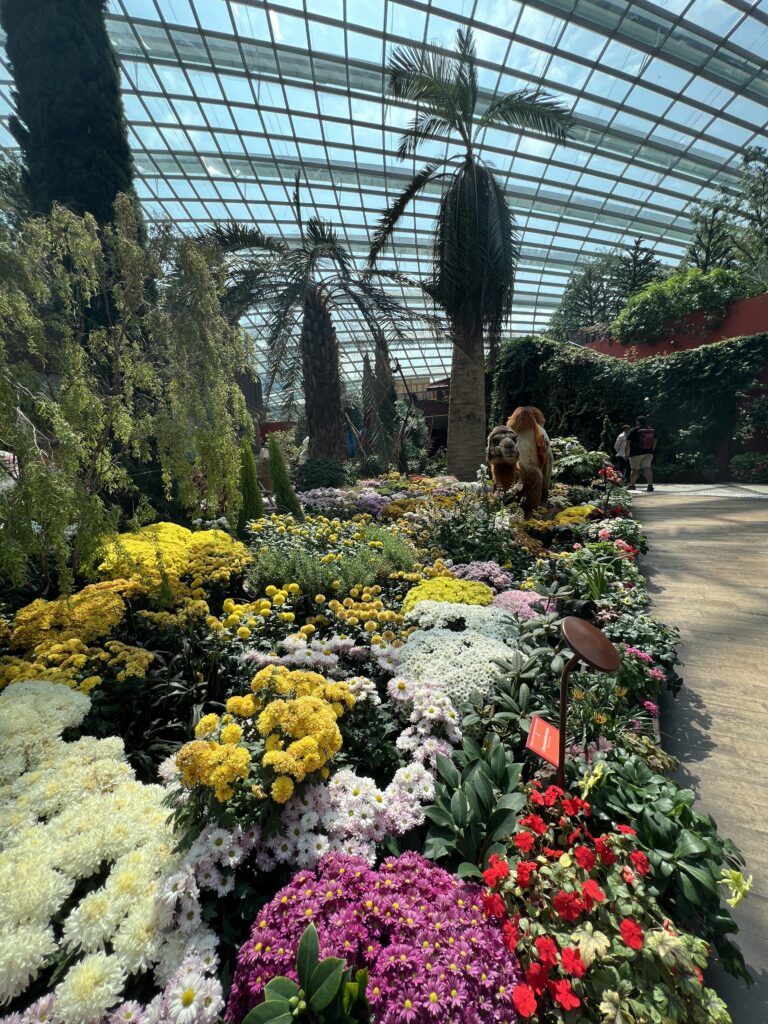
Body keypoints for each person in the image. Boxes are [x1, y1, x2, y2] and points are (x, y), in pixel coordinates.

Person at [626, 415, 657, 491]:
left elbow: (627, 443)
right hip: (648, 452)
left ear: (638, 422)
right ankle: (650, 485)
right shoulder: (651, 430)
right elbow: (655, 440)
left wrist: (626, 453)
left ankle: (632, 485)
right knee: (647, 468)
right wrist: (651, 449)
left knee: (634, 469)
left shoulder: (634, 430)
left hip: (636, 453)